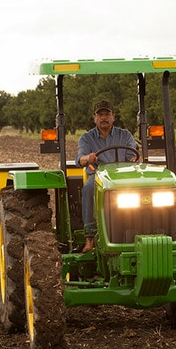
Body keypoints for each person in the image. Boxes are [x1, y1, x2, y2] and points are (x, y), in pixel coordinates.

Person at [75, 100, 138, 252]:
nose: (104, 118)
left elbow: (133, 155)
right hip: (99, 176)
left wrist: (134, 159)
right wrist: (88, 158)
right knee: (89, 188)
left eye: (107, 114)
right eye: (100, 114)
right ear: (95, 118)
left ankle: (140, 229)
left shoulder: (125, 135)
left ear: (113, 117)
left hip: (123, 176)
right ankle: (90, 238)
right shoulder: (87, 138)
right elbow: (80, 159)